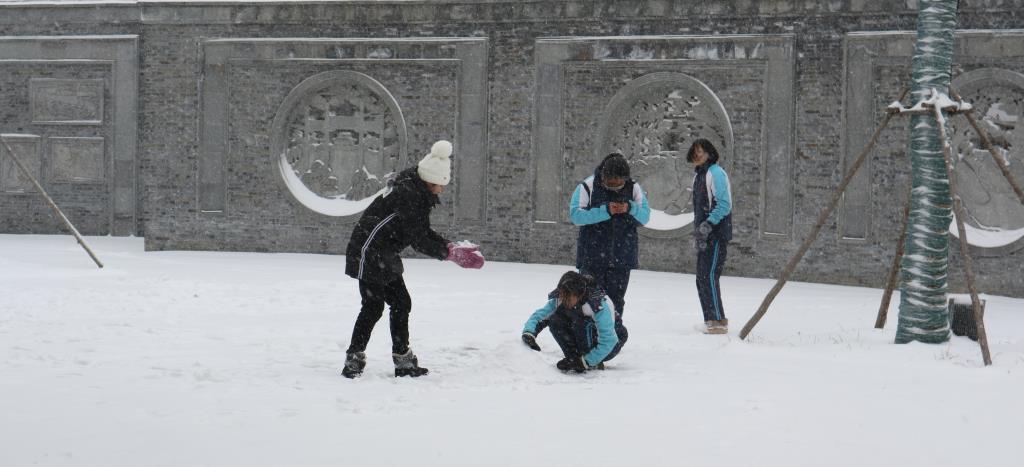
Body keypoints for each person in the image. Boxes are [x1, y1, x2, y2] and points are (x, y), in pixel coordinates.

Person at [341, 140, 485, 378]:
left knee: (401, 303)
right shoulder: (409, 195)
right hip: (368, 250)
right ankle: (354, 359)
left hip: (384, 252)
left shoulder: (416, 190)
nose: (442, 189)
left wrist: (449, 246)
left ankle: (403, 360)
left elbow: (422, 231)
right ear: (431, 180)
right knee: (373, 306)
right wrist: (449, 254)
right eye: (441, 185)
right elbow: (417, 239)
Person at [559, 152, 650, 358]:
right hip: (592, 257)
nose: (616, 185)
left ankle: (611, 345)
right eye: (612, 181)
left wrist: (629, 208)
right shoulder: (587, 186)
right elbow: (576, 215)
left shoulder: (634, 188)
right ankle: (585, 342)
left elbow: (645, 217)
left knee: (615, 302)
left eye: (620, 182)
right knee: (587, 301)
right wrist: (605, 210)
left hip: (622, 257)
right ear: (603, 176)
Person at [521, 271, 619, 373]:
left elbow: (609, 340)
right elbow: (540, 316)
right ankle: (574, 357)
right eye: (563, 295)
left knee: (582, 323)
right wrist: (529, 333)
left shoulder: (599, 304)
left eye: (569, 297)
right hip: (583, 331)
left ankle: (590, 361)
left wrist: (585, 362)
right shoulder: (561, 297)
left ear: (580, 294)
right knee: (555, 319)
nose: (564, 300)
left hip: (612, 344)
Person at [688, 139, 732, 334]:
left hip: (715, 234)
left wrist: (709, 224)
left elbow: (724, 204)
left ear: (710, 154)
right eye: (695, 151)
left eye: (702, 152)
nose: (698, 155)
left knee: (709, 276)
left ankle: (717, 322)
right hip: (704, 235)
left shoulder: (715, 173)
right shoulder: (699, 176)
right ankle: (711, 319)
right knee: (701, 278)